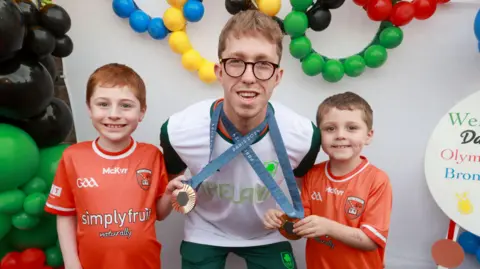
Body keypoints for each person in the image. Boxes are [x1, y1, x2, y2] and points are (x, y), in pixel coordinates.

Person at [159, 9, 321, 269]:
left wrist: (287, 219)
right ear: (219, 71)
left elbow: (300, 193)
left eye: (263, 64)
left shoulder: (304, 137)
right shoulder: (178, 130)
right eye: (236, 61)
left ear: (277, 77)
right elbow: (174, 190)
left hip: (267, 232)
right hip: (205, 230)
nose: (248, 77)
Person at [44, 63, 183, 269]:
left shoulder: (152, 156)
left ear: (142, 112)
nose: (114, 114)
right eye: (103, 104)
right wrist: (72, 263)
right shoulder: (73, 157)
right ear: (89, 109)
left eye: (126, 105)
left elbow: (159, 214)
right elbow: (65, 215)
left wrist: (170, 194)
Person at [263, 91, 393, 269]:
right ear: (319, 136)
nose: (340, 135)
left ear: (368, 135)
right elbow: (300, 228)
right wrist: (281, 220)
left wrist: (329, 227)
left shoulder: (377, 180)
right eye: (330, 128)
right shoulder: (312, 174)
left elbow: (371, 240)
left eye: (352, 128)